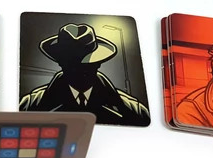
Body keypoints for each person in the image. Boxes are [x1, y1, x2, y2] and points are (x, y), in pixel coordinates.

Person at [19, 23, 151, 126]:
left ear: (98, 63)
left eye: (87, 65)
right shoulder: (29, 106)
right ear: (60, 63)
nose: (80, 72)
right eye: (72, 65)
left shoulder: (134, 111)